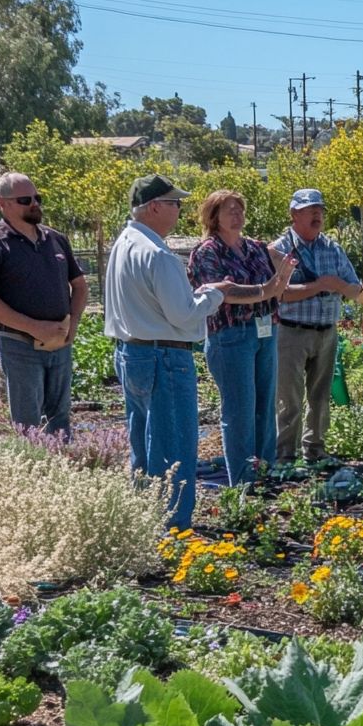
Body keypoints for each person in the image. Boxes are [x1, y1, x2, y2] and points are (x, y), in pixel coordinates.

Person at [106, 175, 276, 527]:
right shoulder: (158, 255)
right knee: (174, 448)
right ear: (154, 207)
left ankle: (143, 520)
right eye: (173, 204)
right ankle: (173, 529)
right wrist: (215, 294)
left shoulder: (124, 244)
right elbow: (183, 314)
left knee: (143, 445)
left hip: (130, 352)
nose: (178, 210)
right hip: (164, 357)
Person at [0, 172, 87, 437]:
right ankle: (34, 470)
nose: (34, 204)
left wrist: (73, 325)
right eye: (24, 199)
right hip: (18, 344)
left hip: (60, 342)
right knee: (28, 422)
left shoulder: (56, 239)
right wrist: (33, 327)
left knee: (61, 415)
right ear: (2, 203)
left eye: (36, 198)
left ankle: (62, 471)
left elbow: (79, 286)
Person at [188, 190, 295, 485]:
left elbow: (277, 284)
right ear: (214, 217)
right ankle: (244, 483)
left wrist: (280, 280)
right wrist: (265, 291)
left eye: (240, 210)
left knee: (265, 407)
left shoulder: (256, 248)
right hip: (231, 336)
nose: (237, 215)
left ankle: (266, 475)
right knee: (240, 413)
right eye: (229, 210)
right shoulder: (207, 251)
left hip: (265, 331)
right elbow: (219, 293)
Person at [268, 189, 360, 464]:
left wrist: (340, 286)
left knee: (320, 398)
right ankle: (285, 455)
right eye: (310, 210)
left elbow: (355, 289)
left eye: (319, 209)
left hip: (326, 332)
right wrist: (319, 285)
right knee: (290, 398)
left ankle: (316, 451)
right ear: (294, 214)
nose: (317, 214)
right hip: (291, 332)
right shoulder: (279, 249)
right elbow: (279, 293)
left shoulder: (333, 248)